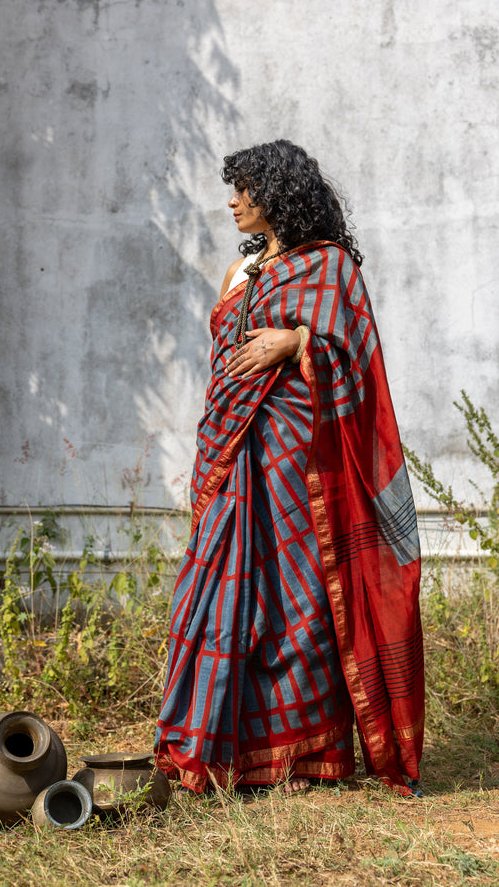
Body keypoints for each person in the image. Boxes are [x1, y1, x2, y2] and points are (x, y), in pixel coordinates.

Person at [154, 140, 424, 797]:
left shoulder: (328, 268)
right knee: (216, 598)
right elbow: (224, 371)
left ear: (278, 194)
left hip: (297, 462)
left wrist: (297, 340)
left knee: (298, 604)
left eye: (245, 189)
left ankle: (305, 760)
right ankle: (213, 751)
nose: (233, 201)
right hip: (230, 455)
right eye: (234, 188)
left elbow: (356, 356)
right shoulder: (235, 276)